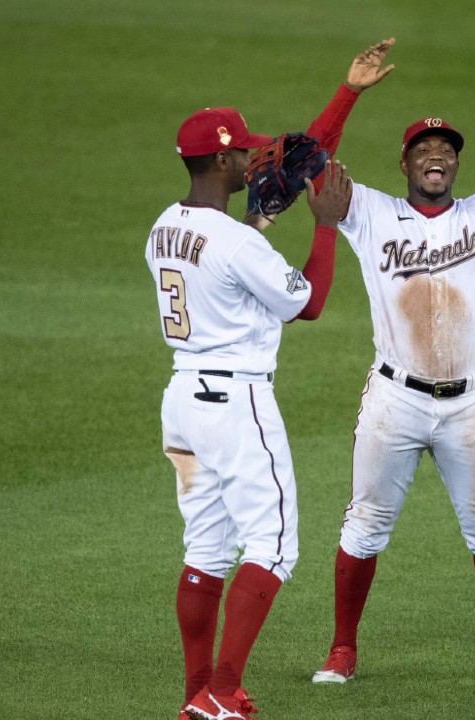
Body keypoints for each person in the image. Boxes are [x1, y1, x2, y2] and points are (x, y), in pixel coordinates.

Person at [304, 49, 475, 686]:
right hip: (393, 399)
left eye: (447, 149)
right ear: (403, 163)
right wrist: (348, 91)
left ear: (457, 163)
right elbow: (310, 164)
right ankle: (341, 650)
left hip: (468, 405)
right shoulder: (367, 210)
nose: (437, 156)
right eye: (423, 149)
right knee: (366, 524)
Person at [145, 103, 351, 719]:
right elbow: (307, 305)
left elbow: (220, 265)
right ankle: (221, 693)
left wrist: (257, 221)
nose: (252, 161)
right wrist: (325, 227)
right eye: (241, 154)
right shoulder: (235, 242)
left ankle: (196, 693)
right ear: (217, 159)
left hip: (182, 402)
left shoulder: (162, 226)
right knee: (275, 543)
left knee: (206, 549)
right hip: (235, 403)